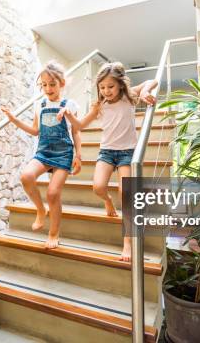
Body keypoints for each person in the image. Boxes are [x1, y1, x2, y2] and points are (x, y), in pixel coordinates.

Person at [60, 62, 157, 261]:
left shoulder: (130, 97)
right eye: (102, 87)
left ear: (120, 84)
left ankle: (127, 243)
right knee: (98, 187)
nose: (106, 91)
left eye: (110, 87)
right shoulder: (99, 105)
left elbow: (152, 80)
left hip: (127, 153)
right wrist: (68, 115)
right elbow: (80, 125)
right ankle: (108, 202)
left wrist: (146, 90)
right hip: (106, 152)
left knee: (127, 193)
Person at [1, 60, 82, 249]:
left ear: (62, 84)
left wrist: (78, 155)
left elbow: (76, 131)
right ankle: (40, 209)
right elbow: (35, 131)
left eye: (52, 84)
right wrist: (14, 120)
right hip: (44, 151)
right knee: (26, 176)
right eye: (44, 85)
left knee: (53, 193)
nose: (48, 88)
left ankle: (54, 233)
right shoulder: (40, 104)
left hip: (63, 153)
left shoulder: (70, 104)